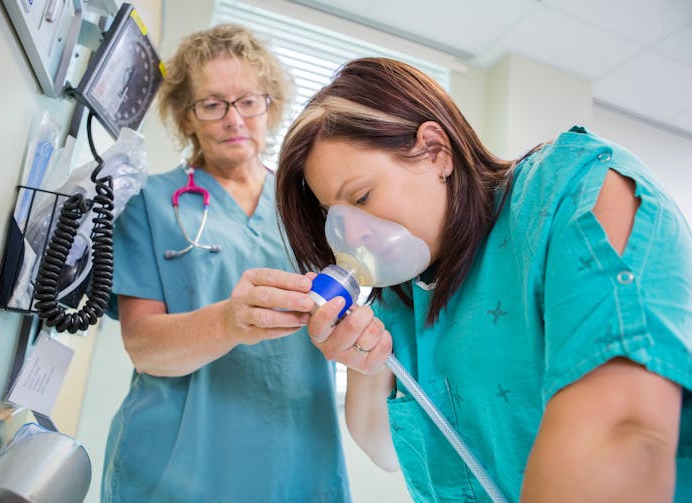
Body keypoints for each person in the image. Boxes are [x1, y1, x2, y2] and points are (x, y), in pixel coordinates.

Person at [275, 57, 692, 502]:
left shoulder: (575, 193)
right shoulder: (402, 298)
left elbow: (621, 434)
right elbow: (384, 451)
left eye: (362, 196)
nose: (349, 234)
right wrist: (367, 364)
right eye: (331, 214)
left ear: (436, 151)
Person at [101, 24, 351, 502]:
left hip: (296, 460)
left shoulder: (315, 207)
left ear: (270, 105)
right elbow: (143, 347)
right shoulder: (151, 203)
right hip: (177, 468)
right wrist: (229, 322)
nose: (233, 119)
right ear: (186, 116)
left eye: (248, 101)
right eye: (212, 104)